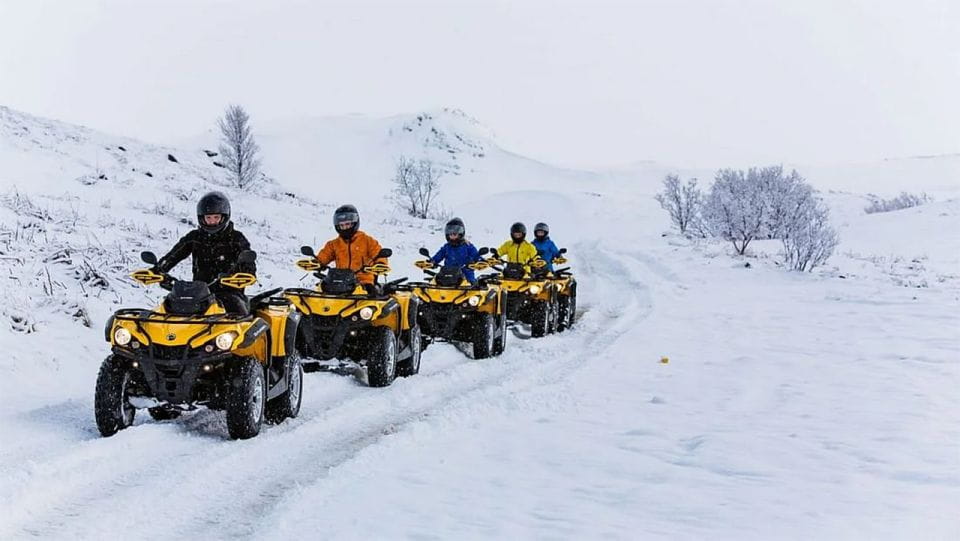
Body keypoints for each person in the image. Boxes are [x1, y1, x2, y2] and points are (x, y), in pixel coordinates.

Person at [155, 191, 256, 314]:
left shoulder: (236, 239)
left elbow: (248, 261)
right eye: (208, 218)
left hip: (229, 293)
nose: (212, 221)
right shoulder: (195, 237)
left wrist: (243, 274)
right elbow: (174, 255)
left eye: (216, 217)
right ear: (201, 218)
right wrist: (159, 269)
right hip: (199, 295)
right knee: (168, 309)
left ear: (224, 217)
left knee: (238, 315)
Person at [315, 204, 387, 293]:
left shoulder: (367, 241)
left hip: (363, 282)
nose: (345, 227)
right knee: (321, 293)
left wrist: (380, 263)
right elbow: (324, 256)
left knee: (372, 300)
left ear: (354, 223)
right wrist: (316, 262)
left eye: (347, 224)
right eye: (342, 225)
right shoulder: (333, 244)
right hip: (340, 282)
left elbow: (378, 253)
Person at [430, 217, 481, 284]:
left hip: (466, 276)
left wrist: (476, 262)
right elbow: (438, 256)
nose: (452, 236)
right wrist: (432, 261)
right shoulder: (446, 247)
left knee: (473, 288)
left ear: (460, 234)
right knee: (434, 284)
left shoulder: (468, 246)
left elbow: (477, 256)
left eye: (454, 234)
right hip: (448, 276)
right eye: (450, 234)